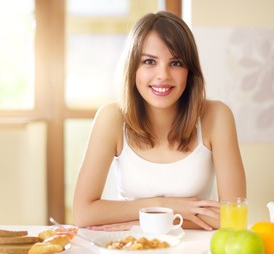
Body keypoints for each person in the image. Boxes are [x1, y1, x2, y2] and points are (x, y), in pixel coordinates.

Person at [73, 11, 246, 231]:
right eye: (149, 61)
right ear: (133, 68)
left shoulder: (217, 116)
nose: (162, 75)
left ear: (189, 72)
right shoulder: (112, 119)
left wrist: (140, 222)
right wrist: (165, 206)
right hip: (132, 250)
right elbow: (83, 213)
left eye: (175, 63)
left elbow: (233, 219)